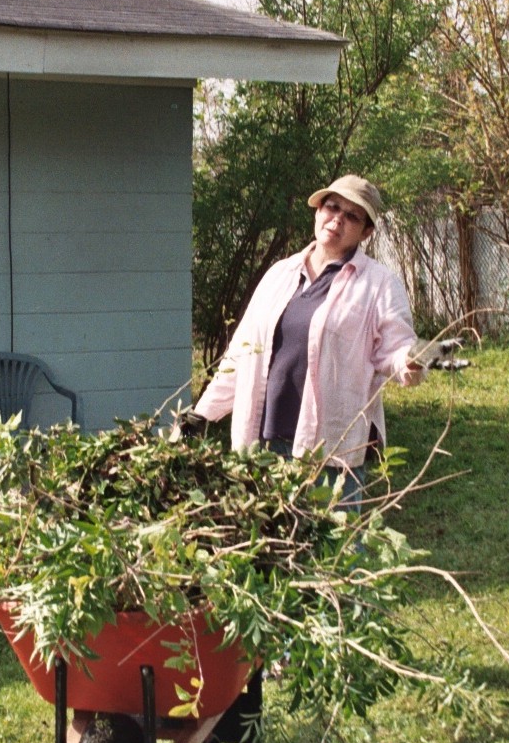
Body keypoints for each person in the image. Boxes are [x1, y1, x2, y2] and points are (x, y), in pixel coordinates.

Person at [183, 174, 455, 503]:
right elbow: (242, 354)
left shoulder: (379, 284)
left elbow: (396, 351)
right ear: (317, 212)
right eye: (332, 207)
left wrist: (416, 356)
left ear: (366, 231)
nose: (337, 219)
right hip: (262, 445)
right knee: (269, 548)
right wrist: (202, 414)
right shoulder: (279, 274)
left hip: (330, 450)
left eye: (352, 216)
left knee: (331, 548)